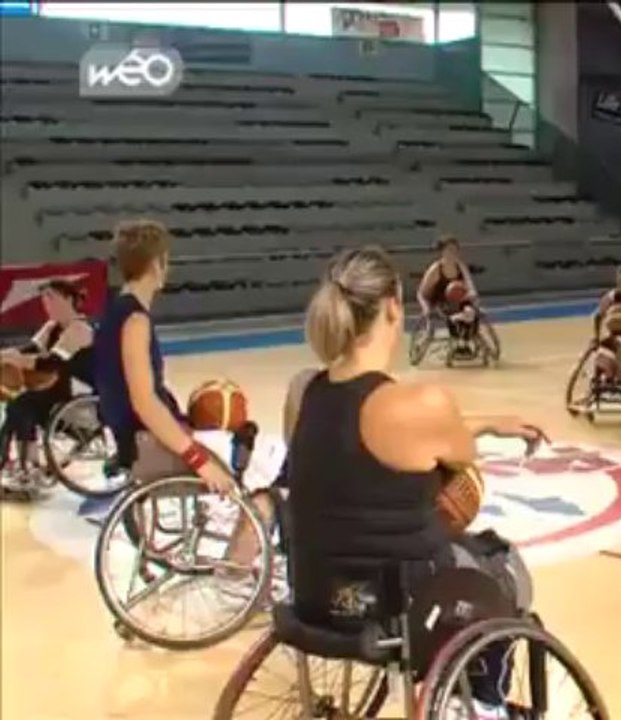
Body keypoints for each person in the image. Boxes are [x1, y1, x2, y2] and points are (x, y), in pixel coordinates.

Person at [284, 245, 546, 720]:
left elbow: (357, 453)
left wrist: (486, 421)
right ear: (393, 305)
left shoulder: (304, 392)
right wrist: (483, 428)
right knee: (502, 568)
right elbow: (459, 456)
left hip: (312, 596)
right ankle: (483, 705)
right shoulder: (421, 403)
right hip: (398, 605)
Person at [93, 219, 264, 571]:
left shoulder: (115, 310)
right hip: (147, 443)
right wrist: (198, 459)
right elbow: (144, 402)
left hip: (134, 436)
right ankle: (236, 568)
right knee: (266, 464)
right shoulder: (135, 321)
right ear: (157, 264)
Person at [0, 281, 95, 487]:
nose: (46, 304)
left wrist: (15, 359)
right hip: (58, 395)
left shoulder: (80, 329)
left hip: (79, 402)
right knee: (16, 407)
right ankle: (19, 463)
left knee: (22, 405)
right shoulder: (51, 327)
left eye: (51, 298)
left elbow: (51, 363)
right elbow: (29, 349)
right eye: (44, 299)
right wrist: (7, 355)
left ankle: (27, 466)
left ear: (69, 299)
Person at [416, 235, 480, 349]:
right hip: (441, 302)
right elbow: (421, 293)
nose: (453, 253)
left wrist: (472, 292)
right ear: (442, 252)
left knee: (472, 312)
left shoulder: (460, 266)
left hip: (460, 300)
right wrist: (425, 308)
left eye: (455, 250)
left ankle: (464, 335)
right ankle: (454, 326)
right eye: (449, 250)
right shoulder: (435, 270)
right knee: (453, 313)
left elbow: (470, 284)